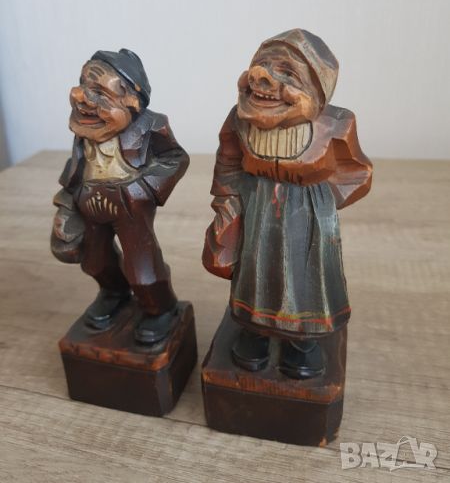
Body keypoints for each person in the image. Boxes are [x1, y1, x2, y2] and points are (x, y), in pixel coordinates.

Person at [202, 29, 372, 378]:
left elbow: (357, 171)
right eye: (261, 65)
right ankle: (255, 331)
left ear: (318, 91)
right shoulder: (239, 120)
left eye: (287, 73)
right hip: (256, 210)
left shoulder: (336, 125)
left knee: (305, 276)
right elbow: (228, 161)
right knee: (255, 271)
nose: (262, 78)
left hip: (308, 218)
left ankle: (301, 341)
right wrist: (228, 203)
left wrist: (321, 203)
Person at [51, 49, 189, 343]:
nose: (81, 96)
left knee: (142, 265)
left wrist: (141, 190)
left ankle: (159, 308)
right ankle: (113, 293)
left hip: (129, 205)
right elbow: (75, 167)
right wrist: (66, 202)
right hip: (89, 201)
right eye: (82, 85)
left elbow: (175, 159)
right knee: (95, 259)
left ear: (132, 101)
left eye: (99, 92)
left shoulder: (152, 125)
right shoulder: (86, 128)